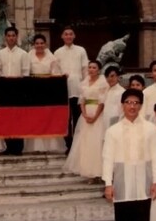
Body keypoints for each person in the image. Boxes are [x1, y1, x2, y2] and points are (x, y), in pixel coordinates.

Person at [103, 88, 156, 221]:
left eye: (136, 103)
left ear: (141, 105)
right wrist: (108, 183)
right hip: (122, 181)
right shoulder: (113, 130)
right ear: (122, 105)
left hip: (143, 180)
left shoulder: (151, 129)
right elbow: (107, 158)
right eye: (128, 102)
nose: (132, 106)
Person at [63, 60, 109, 183]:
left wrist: (95, 116)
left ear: (98, 69)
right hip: (86, 113)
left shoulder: (103, 82)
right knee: (86, 143)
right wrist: (83, 113)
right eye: (90, 67)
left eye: (94, 67)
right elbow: (82, 100)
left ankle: (100, 172)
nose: (91, 69)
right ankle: (90, 173)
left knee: (97, 143)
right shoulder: (84, 82)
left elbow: (102, 102)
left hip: (98, 114)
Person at [24, 34, 66, 153]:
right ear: (34, 45)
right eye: (37, 43)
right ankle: (35, 146)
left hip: (47, 89)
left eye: (41, 43)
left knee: (47, 117)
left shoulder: (51, 57)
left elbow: (55, 73)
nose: (39, 45)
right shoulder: (29, 56)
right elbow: (26, 73)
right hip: (34, 89)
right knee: (35, 117)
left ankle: (49, 145)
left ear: (45, 44)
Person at [53, 25, 89, 154]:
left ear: (74, 36)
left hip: (78, 89)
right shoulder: (57, 52)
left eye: (70, 34)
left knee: (78, 117)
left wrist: (86, 86)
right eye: (66, 34)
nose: (68, 36)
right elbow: (55, 71)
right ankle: (68, 145)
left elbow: (85, 69)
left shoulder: (81, 51)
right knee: (66, 118)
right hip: (64, 90)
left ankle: (79, 144)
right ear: (62, 36)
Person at [0, 27, 30, 156]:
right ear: (5, 37)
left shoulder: (23, 54)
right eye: (8, 35)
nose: (11, 38)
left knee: (18, 118)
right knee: (5, 118)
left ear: (16, 37)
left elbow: (26, 72)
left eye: (13, 35)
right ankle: (8, 146)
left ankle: (18, 147)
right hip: (4, 88)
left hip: (18, 88)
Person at [102, 66, 126, 130]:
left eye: (112, 76)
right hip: (105, 119)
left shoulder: (121, 91)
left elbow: (122, 111)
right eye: (108, 77)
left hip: (115, 120)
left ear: (118, 77)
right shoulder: (106, 90)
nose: (110, 79)